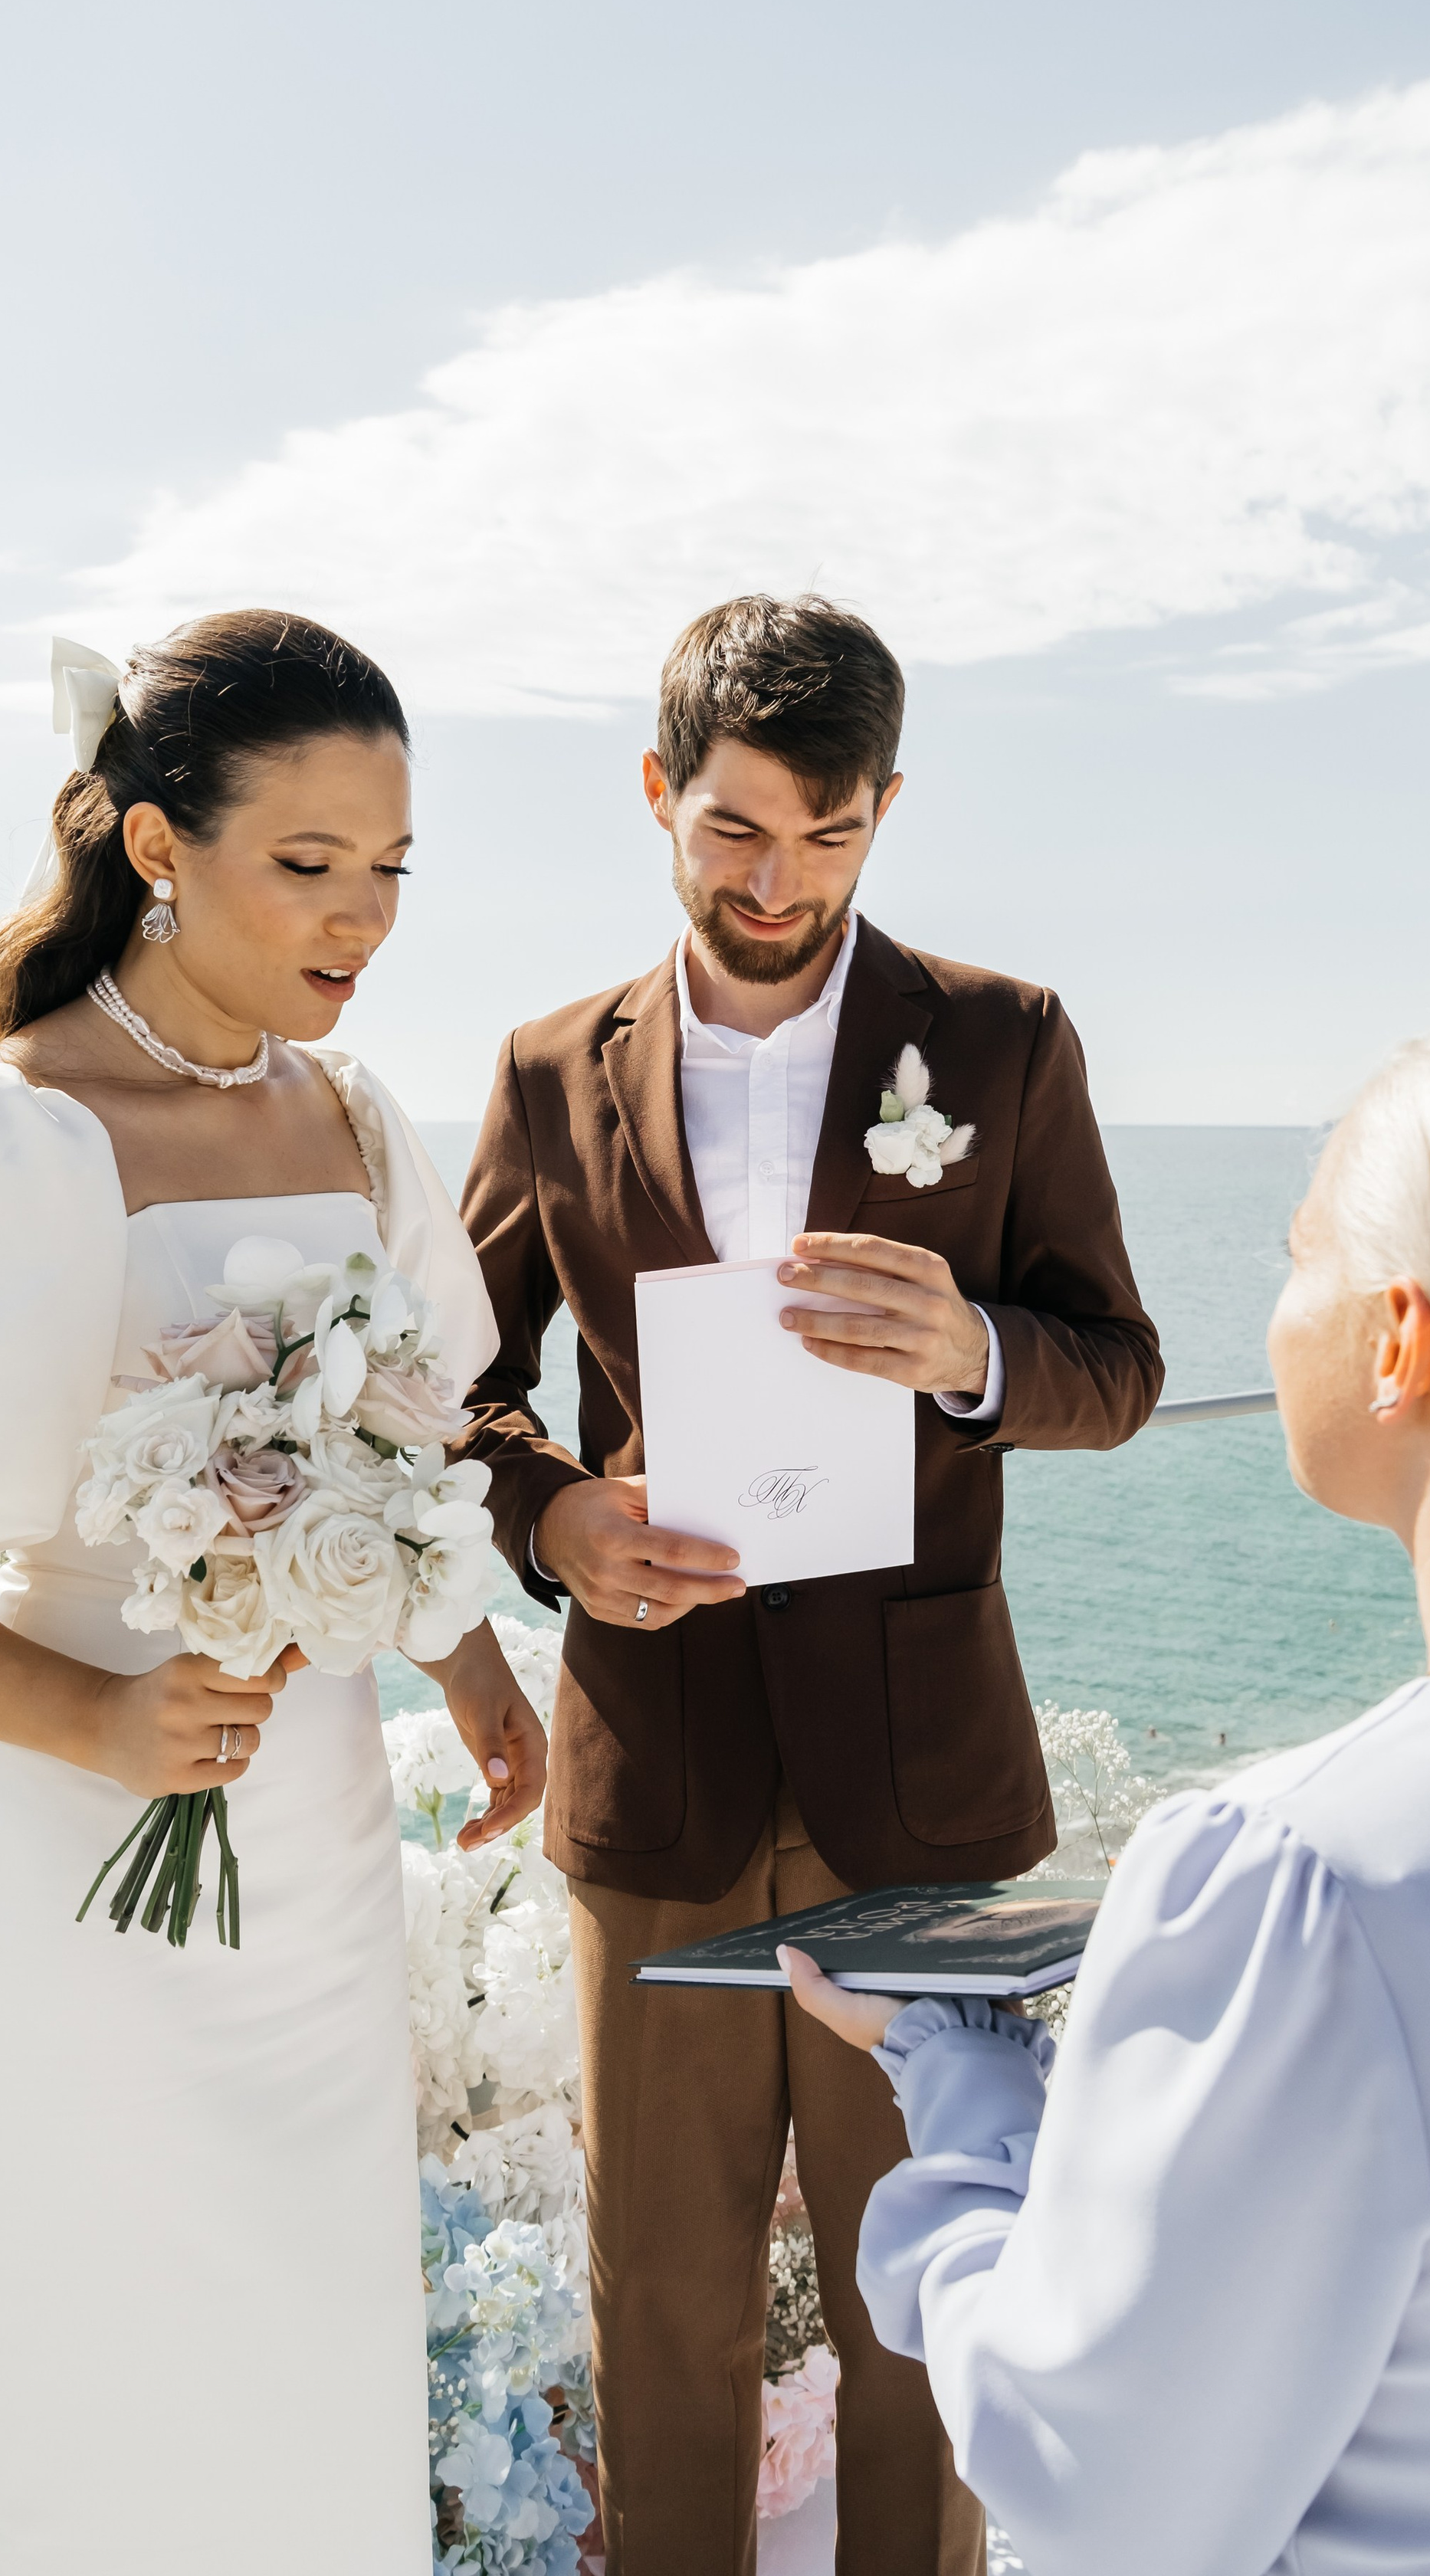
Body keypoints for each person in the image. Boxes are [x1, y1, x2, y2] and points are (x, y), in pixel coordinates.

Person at [0, 611, 547, 2575]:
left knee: (309, 2349)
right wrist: (95, 1715)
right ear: (158, 845)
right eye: (310, 866)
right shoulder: (7, 1135)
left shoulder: (354, 1125)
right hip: (72, 1854)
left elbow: (402, 1440)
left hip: (318, 1837)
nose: (363, 922)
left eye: (391, 872)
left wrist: (479, 1669)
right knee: (103, 2366)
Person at [789, 992, 1430, 2574]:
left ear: (1397, 1340)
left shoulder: (1309, 1877)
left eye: (1297, 1251)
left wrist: (959, 2078)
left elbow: (1091, 2487)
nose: (1276, 1312)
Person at [456, 594, 1162, 2576]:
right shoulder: (539, 1075)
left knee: (928, 2312)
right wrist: (557, 1527)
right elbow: (456, 1398)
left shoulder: (1005, 1043)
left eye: (832, 838)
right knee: (658, 2306)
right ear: (659, 794)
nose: (781, 884)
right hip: (654, 1778)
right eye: (738, 831)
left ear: (888, 811)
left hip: (923, 1800)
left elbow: (1117, 1366)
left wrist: (974, 1358)